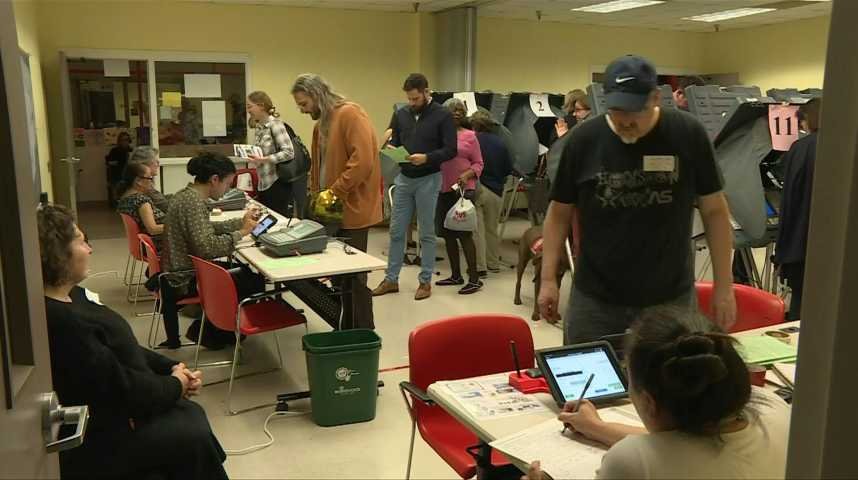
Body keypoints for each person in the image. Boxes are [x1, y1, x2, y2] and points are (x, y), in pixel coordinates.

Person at [539, 55, 736, 344]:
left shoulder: (687, 134)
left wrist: (724, 287)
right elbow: (558, 213)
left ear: (655, 98)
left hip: (670, 298)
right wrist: (547, 280)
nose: (626, 121)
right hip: (595, 299)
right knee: (587, 371)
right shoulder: (583, 140)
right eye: (617, 110)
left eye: (635, 110)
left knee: (674, 372)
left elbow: (715, 211)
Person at [37, 204, 228, 480]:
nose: (90, 249)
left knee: (191, 418)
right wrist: (175, 385)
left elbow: (120, 346)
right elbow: (120, 388)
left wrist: (170, 367)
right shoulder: (63, 322)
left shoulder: (74, 295)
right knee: (191, 431)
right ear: (57, 253)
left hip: (131, 405)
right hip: (109, 434)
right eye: (81, 242)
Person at [523, 308, 790, 479]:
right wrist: (596, 427)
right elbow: (675, 444)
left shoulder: (632, 463)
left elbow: (662, 450)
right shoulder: (775, 409)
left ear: (649, 402)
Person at [291, 73, 382, 329]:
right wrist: (316, 196)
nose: (302, 110)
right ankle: (342, 325)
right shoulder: (320, 125)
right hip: (328, 207)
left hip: (350, 208)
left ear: (317, 95)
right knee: (337, 276)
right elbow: (318, 167)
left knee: (353, 277)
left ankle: (362, 331)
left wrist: (335, 191)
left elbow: (362, 161)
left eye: (304, 104)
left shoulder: (350, 114)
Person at [161, 151, 264, 349]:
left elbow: (205, 229)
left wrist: (240, 223)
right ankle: (213, 331)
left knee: (244, 273)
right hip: (184, 276)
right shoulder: (193, 203)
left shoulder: (186, 196)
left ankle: (217, 327)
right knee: (252, 280)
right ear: (214, 180)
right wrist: (241, 233)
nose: (227, 190)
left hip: (179, 269)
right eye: (228, 184)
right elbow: (207, 248)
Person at [372, 73, 457, 301]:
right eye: (409, 99)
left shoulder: (443, 115)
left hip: (429, 178)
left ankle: (425, 282)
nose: (411, 103)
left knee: (426, 233)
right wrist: (390, 147)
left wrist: (427, 158)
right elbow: (395, 140)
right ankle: (391, 279)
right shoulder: (401, 113)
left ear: (427, 92)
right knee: (396, 231)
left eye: (416, 99)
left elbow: (451, 150)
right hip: (404, 177)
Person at [774, 98, 822, 321]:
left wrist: (782, 254)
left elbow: (790, 202)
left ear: (807, 120)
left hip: (802, 247)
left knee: (802, 311)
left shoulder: (801, 148)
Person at [435, 98, 484, 294]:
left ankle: (474, 279)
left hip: (463, 191)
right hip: (443, 190)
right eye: (452, 110)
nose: (456, 113)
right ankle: (456, 275)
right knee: (447, 234)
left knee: (464, 235)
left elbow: (479, 163)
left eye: (460, 111)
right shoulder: (438, 136)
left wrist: (468, 174)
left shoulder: (470, 136)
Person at [246, 90, 306, 217]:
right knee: (265, 219)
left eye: (250, 106)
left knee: (278, 220)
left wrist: (264, 159)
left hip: (277, 182)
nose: (248, 110)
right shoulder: (259, 127)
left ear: (261, 106)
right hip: (263, 183)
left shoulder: (276, 125)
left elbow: (288, 152)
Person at [471, 110, 514, 277]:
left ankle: (480, 266)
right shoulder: (500, 143)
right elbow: (508, 169)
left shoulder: (472, 141)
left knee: (478, 231)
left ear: (474, 125)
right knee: (492, 229)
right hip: (496, 191)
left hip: (478, 188)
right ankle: (493, 263)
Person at [116, 162, 165, 250]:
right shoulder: (141, 201)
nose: (152, 181)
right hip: (159, 245)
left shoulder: (124, 198)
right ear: (138, 181)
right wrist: (175, 226)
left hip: (143, 244)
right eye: (150, 178)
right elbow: (153, 229)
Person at [129, 146, 170, 213]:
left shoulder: (138, 182)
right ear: (145, 164)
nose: (158, 164)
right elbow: (166, 206)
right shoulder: (144, 185)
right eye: (156, 161)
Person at [105, 131, 133, 207]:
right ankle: (117, 204)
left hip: (128, 174)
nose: (125, 142)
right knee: (116, 191)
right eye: (122, 140)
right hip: (117, 174)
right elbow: (109, 162)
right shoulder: (114, 150)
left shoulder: (131, 150)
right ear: (119, 141)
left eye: (126, 140)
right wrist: (114, 162)